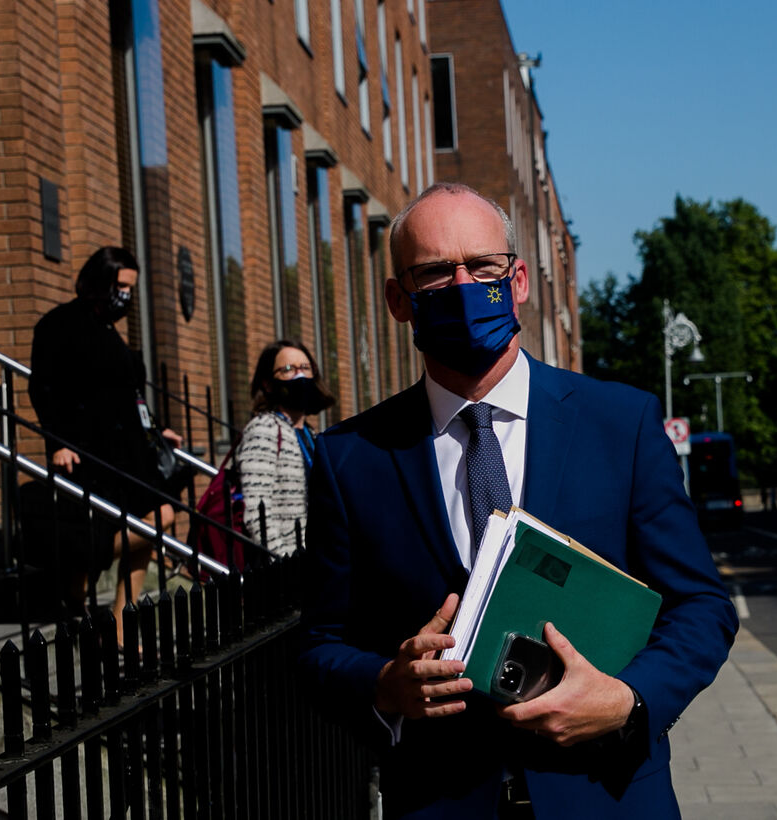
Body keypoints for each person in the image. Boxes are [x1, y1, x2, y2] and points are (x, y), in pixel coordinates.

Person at [298, 182, 738, 818]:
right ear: (399, 299)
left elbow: (701, 605)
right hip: (440, 800)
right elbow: (319, 645)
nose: (463, 286)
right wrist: (386, 686)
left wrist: (628, 700)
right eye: (434, 273)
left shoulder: (622, 424)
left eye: (482, 267)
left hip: (609, 795)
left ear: (519, 279)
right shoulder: (351, 457)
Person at [29, 247, 183, 645]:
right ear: (99, 281)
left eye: (131, 288)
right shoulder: (59, 324)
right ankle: (74, 585)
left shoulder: (112, 333)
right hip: (86, 453)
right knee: (110, 531)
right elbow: (44, 389)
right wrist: (57, 442)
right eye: (119, 286)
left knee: (160, 518)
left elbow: (129, 397)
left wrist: (156, 429)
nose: (125, 296)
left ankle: (118, 622)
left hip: (130, 455)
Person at [236, 340, 334, 556]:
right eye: (288, 369)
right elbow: (257, 512)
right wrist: (285, 564)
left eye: (305, 368)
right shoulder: (265, 428)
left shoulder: (311, 434)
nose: (299, 376)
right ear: (268, 384)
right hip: (288, 568)